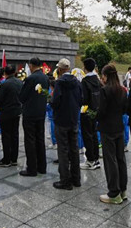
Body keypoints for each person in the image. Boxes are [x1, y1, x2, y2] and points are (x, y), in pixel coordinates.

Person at [96, 64, 128, 204]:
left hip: (107, 128)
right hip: (119, 127)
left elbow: (102, 111)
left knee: (110, 160)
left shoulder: (105, 90)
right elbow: (125, 109)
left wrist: (95, 116)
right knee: (120, 159)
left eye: (102, 75)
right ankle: (123, 190)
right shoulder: (122, 90)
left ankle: (114, 193)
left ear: (106, 76)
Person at [51, 58, 82, 189]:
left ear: (60, 69)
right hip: (73, 119)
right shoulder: (77, 82)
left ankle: (65, 181)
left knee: (63, 150)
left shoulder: (59, 83)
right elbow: (81, 99)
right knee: (74, 149)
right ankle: (76, 179)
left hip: (61, 120)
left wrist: (51, 102)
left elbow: (55, 101)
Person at [19, 57, 49, 176]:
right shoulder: (45, 77)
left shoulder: (30, 78)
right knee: (40, 139)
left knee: (30, 140)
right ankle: (42, 166)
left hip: (30, 113)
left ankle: (31, 168)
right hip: (41, 112)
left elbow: (22, 96)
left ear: (31, 66)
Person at [0, 65, 22, 167]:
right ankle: (14, 158)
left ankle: (6, 159)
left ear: (5, 73)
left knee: (6, 136)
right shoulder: (20, 82)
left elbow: (0, 99)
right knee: (15, 135)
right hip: (17, 111)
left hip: (6, 112)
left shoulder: (5, 84)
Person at [80, 58, 102, 170]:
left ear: (85, 67)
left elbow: (83, 99)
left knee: (87, 135)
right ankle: (96, 159)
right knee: (94, 135)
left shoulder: (85, 81)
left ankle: (90, 160)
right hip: (96, 111)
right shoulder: (97, 80)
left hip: (87, 111)